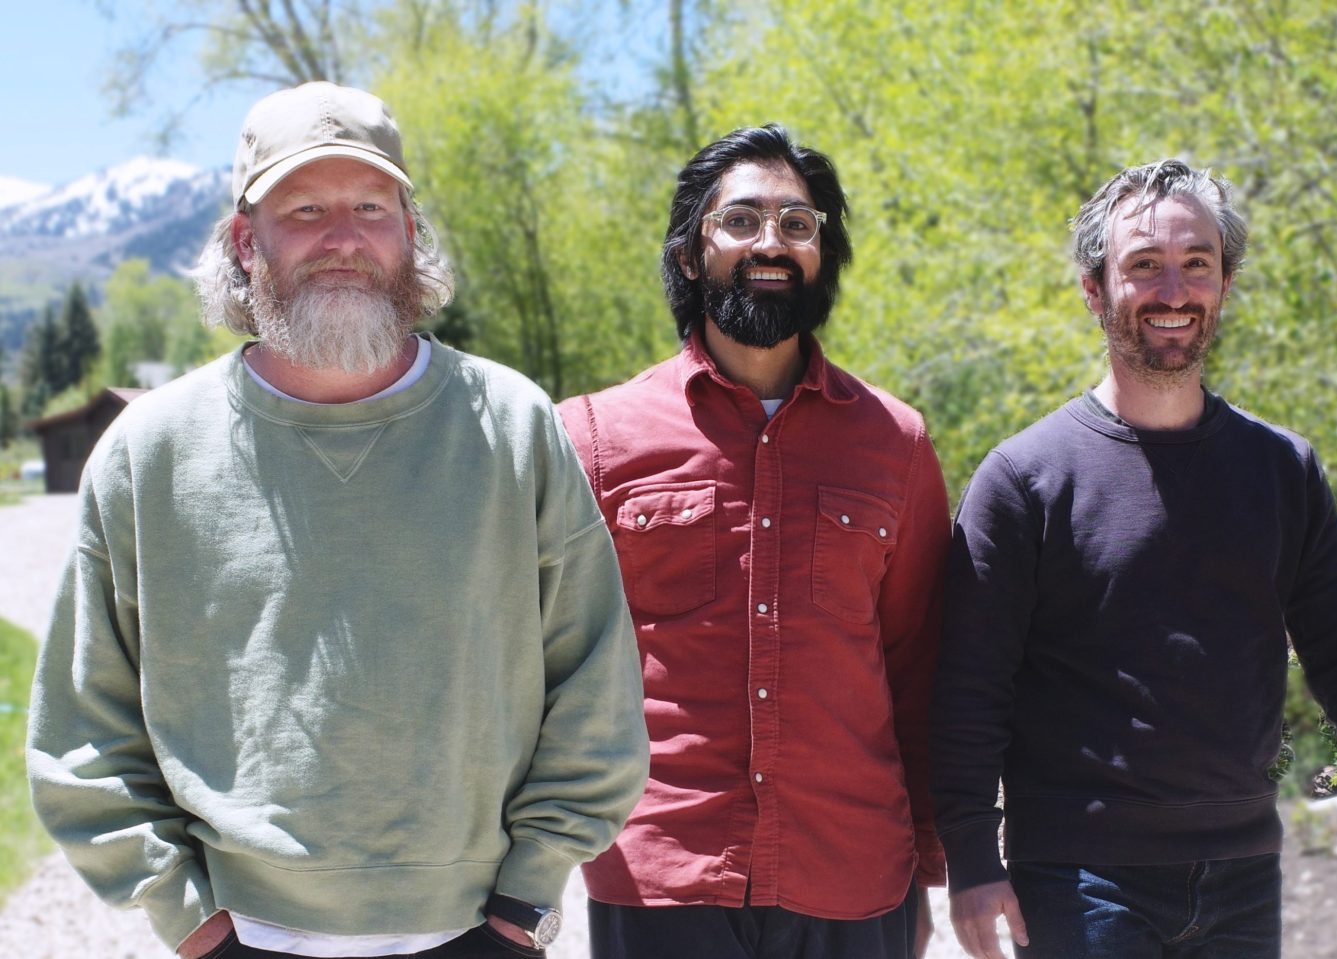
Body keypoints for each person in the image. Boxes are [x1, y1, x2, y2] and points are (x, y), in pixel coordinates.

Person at [27, 81, 649, 959]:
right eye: (307, 209)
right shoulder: (150, 450)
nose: (344, 238)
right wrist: (190, 919)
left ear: (409, 230)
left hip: (477, 928)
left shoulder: (512, 425)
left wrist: (528, 896)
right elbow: (84, 725)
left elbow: (595, 683)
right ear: (248, 241)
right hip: (241, 934)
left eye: (370, 206)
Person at [931, 158, 1337, 959]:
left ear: (1224, 283)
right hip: (1075, 880)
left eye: (1197, 263)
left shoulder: (1280, 468)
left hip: (1243, 872)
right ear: (1095, 289)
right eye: (1143, 265)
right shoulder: (1024, 478)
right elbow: (967, 690)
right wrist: (971, 858)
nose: (1174, 289)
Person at [557, 125, 950, 959]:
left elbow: (919, 665)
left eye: (798, 224)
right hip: (663, 869)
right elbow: (542, 664)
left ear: (824, 254)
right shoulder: (593, 438)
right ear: (692, 254)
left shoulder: (897, 443)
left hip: (852, 872)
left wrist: (928, 862)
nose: (771, 241)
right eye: (741, 220)